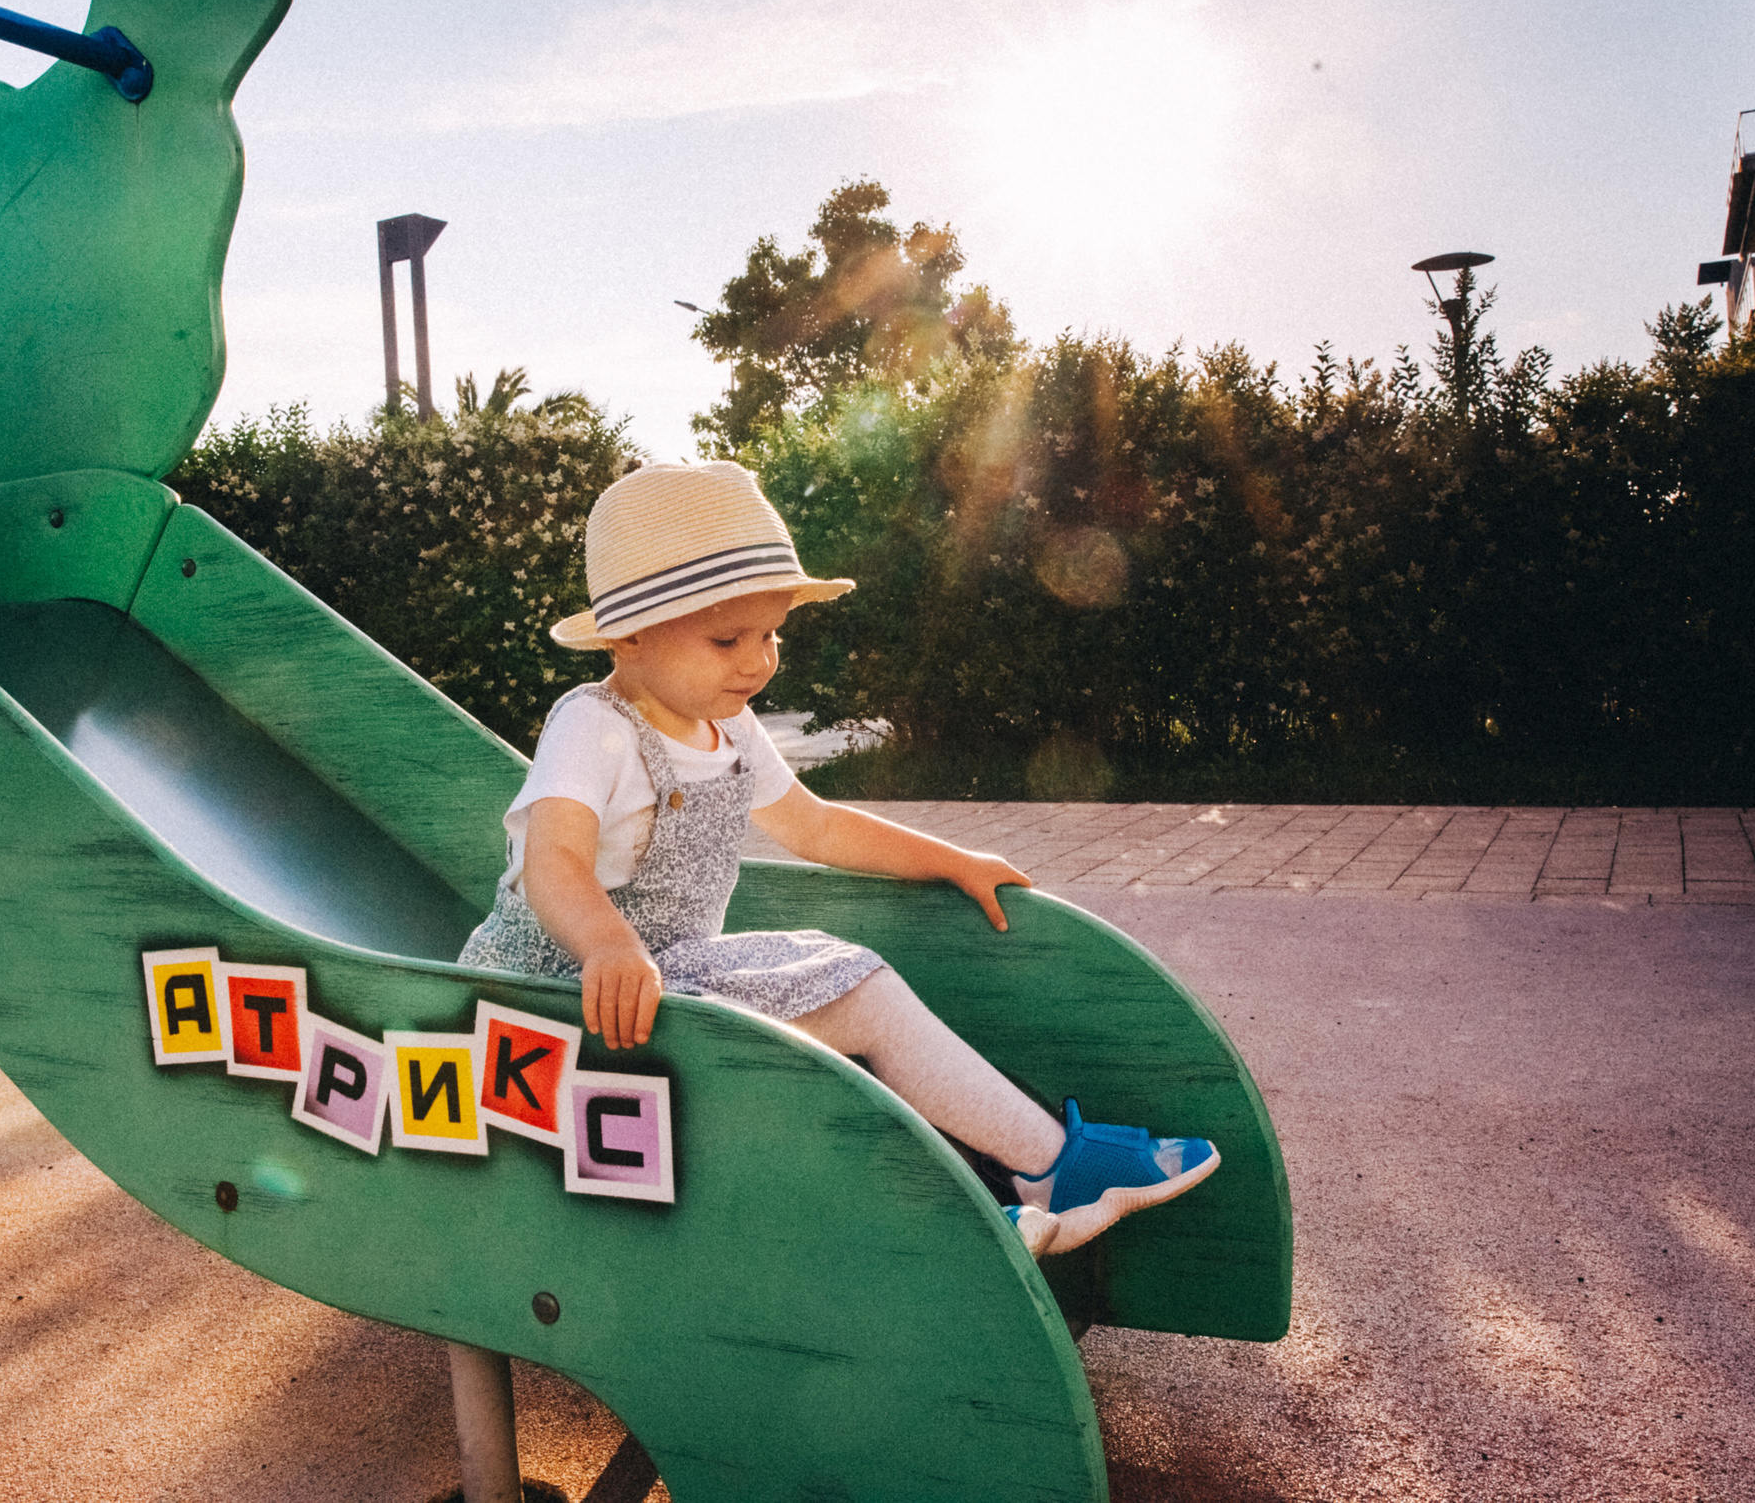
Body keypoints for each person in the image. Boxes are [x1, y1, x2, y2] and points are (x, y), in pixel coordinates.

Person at [459, 460, 1217, 1255]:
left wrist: (950, 859)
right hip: (565, 993)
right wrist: (609, 945)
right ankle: (1036, 1176)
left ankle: (1001, 1192)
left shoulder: (729, 727)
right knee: (852, 999)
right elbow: (553, 861)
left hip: (673, 979)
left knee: (841, 971)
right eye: (726, 639)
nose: (757, 662)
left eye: (770, 634)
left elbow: (815, 827)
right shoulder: (592, 724)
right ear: (628, 635)